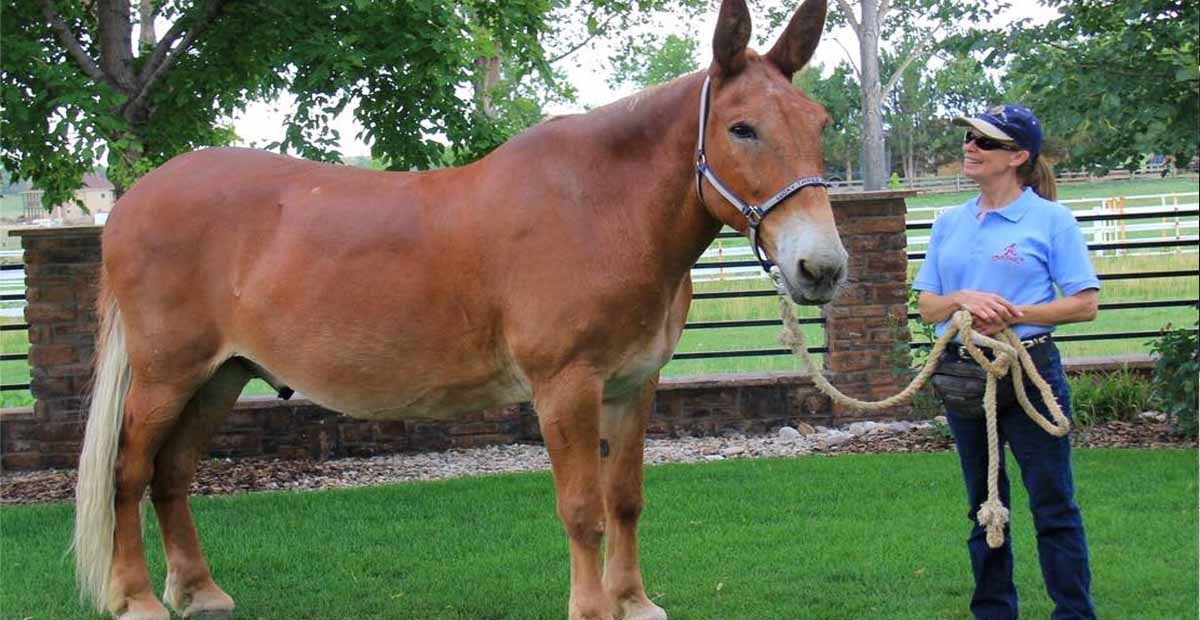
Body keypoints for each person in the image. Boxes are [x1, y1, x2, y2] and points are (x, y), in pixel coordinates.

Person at [913, 104, 1100, 620]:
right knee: (984, 507)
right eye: (970, 138)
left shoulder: (1051, 221)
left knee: (1054, 507)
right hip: (966, 379)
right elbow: (928, 304)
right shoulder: (949, 222)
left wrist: (1011, 314)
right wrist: (963, 299)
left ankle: (1074, 614)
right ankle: (994, 613)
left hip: (1030, 375)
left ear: (1018, 157)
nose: (971, 147)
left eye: (986, 142)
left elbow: (1084, 303)